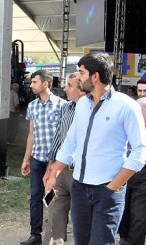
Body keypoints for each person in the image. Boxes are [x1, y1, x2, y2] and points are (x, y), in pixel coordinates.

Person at [45, 52, 146, 245]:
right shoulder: (82, 104)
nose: (78, 77)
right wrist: (53, 173)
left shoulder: (126, 106)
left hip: (108, 191)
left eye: (81, 72)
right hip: (80, 189)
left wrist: (114, 187)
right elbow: (70, 143)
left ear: (95, 76)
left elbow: (140, 151)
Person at [21, 70, 67, 245]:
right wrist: (26, 159)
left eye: (34, 82)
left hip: (55, 161)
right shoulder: (32, 106)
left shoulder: (62, 105)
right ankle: (35, 235)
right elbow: (31, 134)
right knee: (35, 196)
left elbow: (65, 135)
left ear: (45, 84)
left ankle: (58, 234)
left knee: (56, 198)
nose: (31, 85)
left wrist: (58, 161)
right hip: (37, 159)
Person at [41, 73, 86, 244]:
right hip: (61, 172)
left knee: (81, 221)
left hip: (82, 174)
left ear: (81, 89)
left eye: (69, 85)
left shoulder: (93, 109)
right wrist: (50, 170)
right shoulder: (65, 108)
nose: (65, 89)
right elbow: (58, 140)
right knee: (54, 216)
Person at [118, 96, 146, 245]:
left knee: (139, 215)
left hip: (143, 178)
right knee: (124, 211)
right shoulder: (127, 125)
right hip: (125, 174)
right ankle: (124, 238)